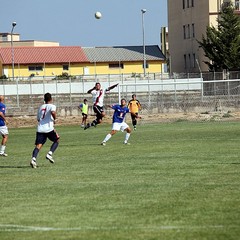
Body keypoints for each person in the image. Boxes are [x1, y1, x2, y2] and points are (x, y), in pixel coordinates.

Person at [30, 92, 60, 168]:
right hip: (49, 128)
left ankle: (33, 159)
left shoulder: (40, 107)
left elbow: (38, 119)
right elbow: (53, 112)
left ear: (44, 99)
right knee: (57, 140)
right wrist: (54, 119)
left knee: (38, 145)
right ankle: (49, 154)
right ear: (51, 99)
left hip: (40, 128)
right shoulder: (52, 106)